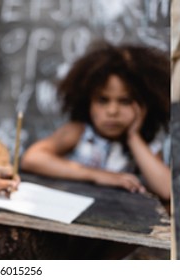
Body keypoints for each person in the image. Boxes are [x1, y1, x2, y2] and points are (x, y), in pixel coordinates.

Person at [19, 42, 172, 202]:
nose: (112, 111)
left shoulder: (147, 146)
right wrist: (97, 175)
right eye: (103, 100)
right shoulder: (79, 132)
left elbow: (167, 190)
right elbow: (32, 159)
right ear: (87, 102)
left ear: (145, 105)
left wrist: (133, 137)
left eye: (125, 101)